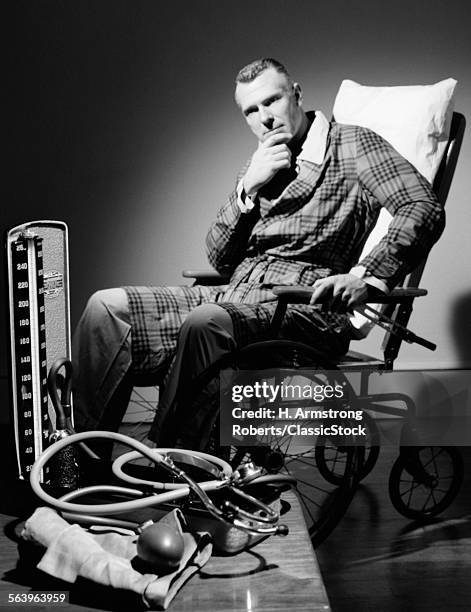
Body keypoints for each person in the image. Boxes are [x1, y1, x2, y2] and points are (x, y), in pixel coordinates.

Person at [72, 58, 444, 452]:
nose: (264, 118)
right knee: (106, 308)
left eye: (272, 101)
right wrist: (246, 190)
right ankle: (78, 464)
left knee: (206, 322)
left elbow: (422, 206)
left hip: (304, 307)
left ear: (296, 94)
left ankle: (178, 464)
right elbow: (219, 259)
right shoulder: (261, 161)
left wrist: (368, 275)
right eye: (251, 110)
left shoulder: (352, 145)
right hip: (237, 295)